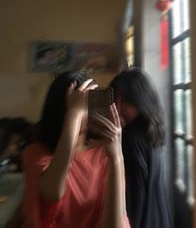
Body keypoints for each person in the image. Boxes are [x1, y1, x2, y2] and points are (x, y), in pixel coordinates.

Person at [21, 71, 130, 228]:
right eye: (85, 104)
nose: (91, 111)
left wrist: (116, 156)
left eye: (92, 102)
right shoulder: (36, 153)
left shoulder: (103, 155)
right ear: (60, 110)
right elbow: (52, 194)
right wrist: (74, 114)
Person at [110, 67, 171, 228]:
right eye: (115, 99)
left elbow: (132, 201)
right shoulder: (153, 130)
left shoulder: (130, 139)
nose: (117, 106)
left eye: (123, 100)